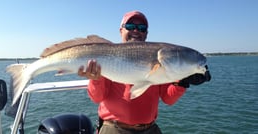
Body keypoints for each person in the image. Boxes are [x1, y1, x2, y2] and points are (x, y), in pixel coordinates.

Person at [78, 11, 211, 134]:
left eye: (142, 28)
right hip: (113, 128)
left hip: (150, 129)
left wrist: (182, 83)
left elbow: (168, 99)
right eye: (130, 26)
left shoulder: (164, 68)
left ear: (146, 33)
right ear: (121, 30)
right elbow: (97, 98)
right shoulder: (106, 56)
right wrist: (96, 79)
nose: (136, 31)